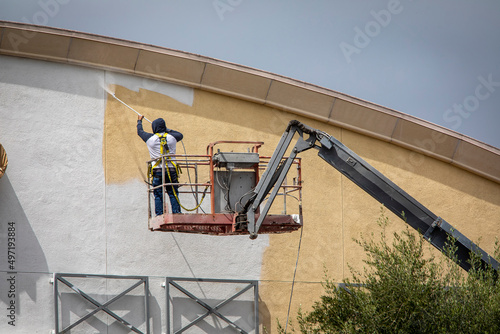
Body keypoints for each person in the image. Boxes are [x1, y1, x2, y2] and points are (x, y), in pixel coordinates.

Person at [137, 115, 183, 215]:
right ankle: (177, 212)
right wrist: (167, 130)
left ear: (154, 128)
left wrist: (139, 121)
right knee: (173, 193)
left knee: (158, 194)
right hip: (171, 171)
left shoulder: (150, 139)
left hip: (158, 171)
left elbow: (140, 132)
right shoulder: (172, 137)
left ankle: (160, 214)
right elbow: (180, 134)